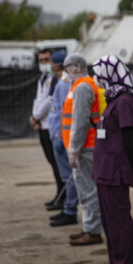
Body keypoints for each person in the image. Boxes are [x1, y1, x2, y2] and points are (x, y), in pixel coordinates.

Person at [91, 55, 133, 264]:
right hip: (104, 172)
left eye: (99, 74)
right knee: (110, 226)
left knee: (119, 225)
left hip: (115, 172)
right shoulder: (113, 99)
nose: (97, 79)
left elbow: (131, 139)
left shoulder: (124, 101)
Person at [62, 53, 103, 246]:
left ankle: (93, 231)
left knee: (88, 191)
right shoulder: (80, 86)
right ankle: (89, 227)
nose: (64, 73)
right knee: (86, 189)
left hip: (86, 147)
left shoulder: (82, 87)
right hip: (85, 147)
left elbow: (80, 122)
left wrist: (73, 150)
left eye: (66, 68)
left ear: (76, 67)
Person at [47, 51, 79, 227]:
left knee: (69, 176)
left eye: (51, 62)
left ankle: (69, 210)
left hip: (63, 136)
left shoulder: (65, 84)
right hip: (58, 134)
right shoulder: (62, 82)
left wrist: (61, 135)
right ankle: (67, 208)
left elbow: (66, 111)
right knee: (67, 175)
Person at [29, 48, 64, 210]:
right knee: (52, 162)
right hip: (42, 124)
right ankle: (59, 193)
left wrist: (35, 117)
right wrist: (34, 118)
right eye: (41, 60)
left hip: (50, 126)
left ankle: (62, 196)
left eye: (46, 60)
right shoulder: (42, 79)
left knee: (58, 163)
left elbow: (49, 102)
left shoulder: (56, 80)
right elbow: (38, 100)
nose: (44, 63)